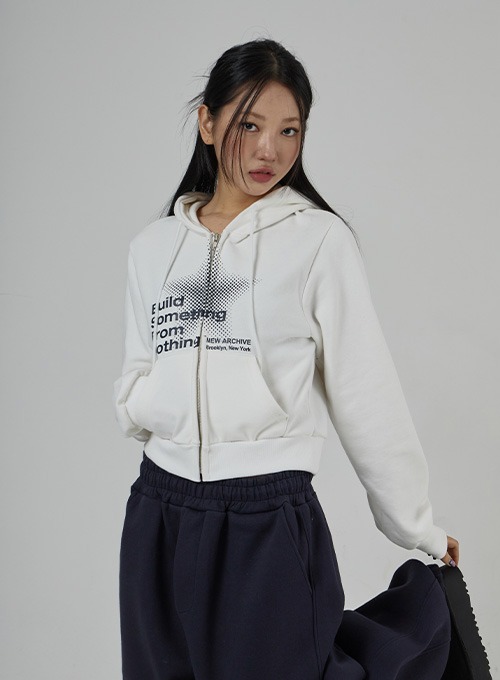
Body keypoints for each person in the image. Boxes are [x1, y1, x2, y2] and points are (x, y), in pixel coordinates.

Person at [113, 38, 490, 680]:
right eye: (249, 125)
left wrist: (417, 526)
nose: (270, 150)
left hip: (267, 519)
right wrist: (148, 407)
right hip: (159, 514)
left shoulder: (318, 242)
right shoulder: (153, 248)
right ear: (208, 123)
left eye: (289, 130)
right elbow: (136, 373)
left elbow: (365, 392)